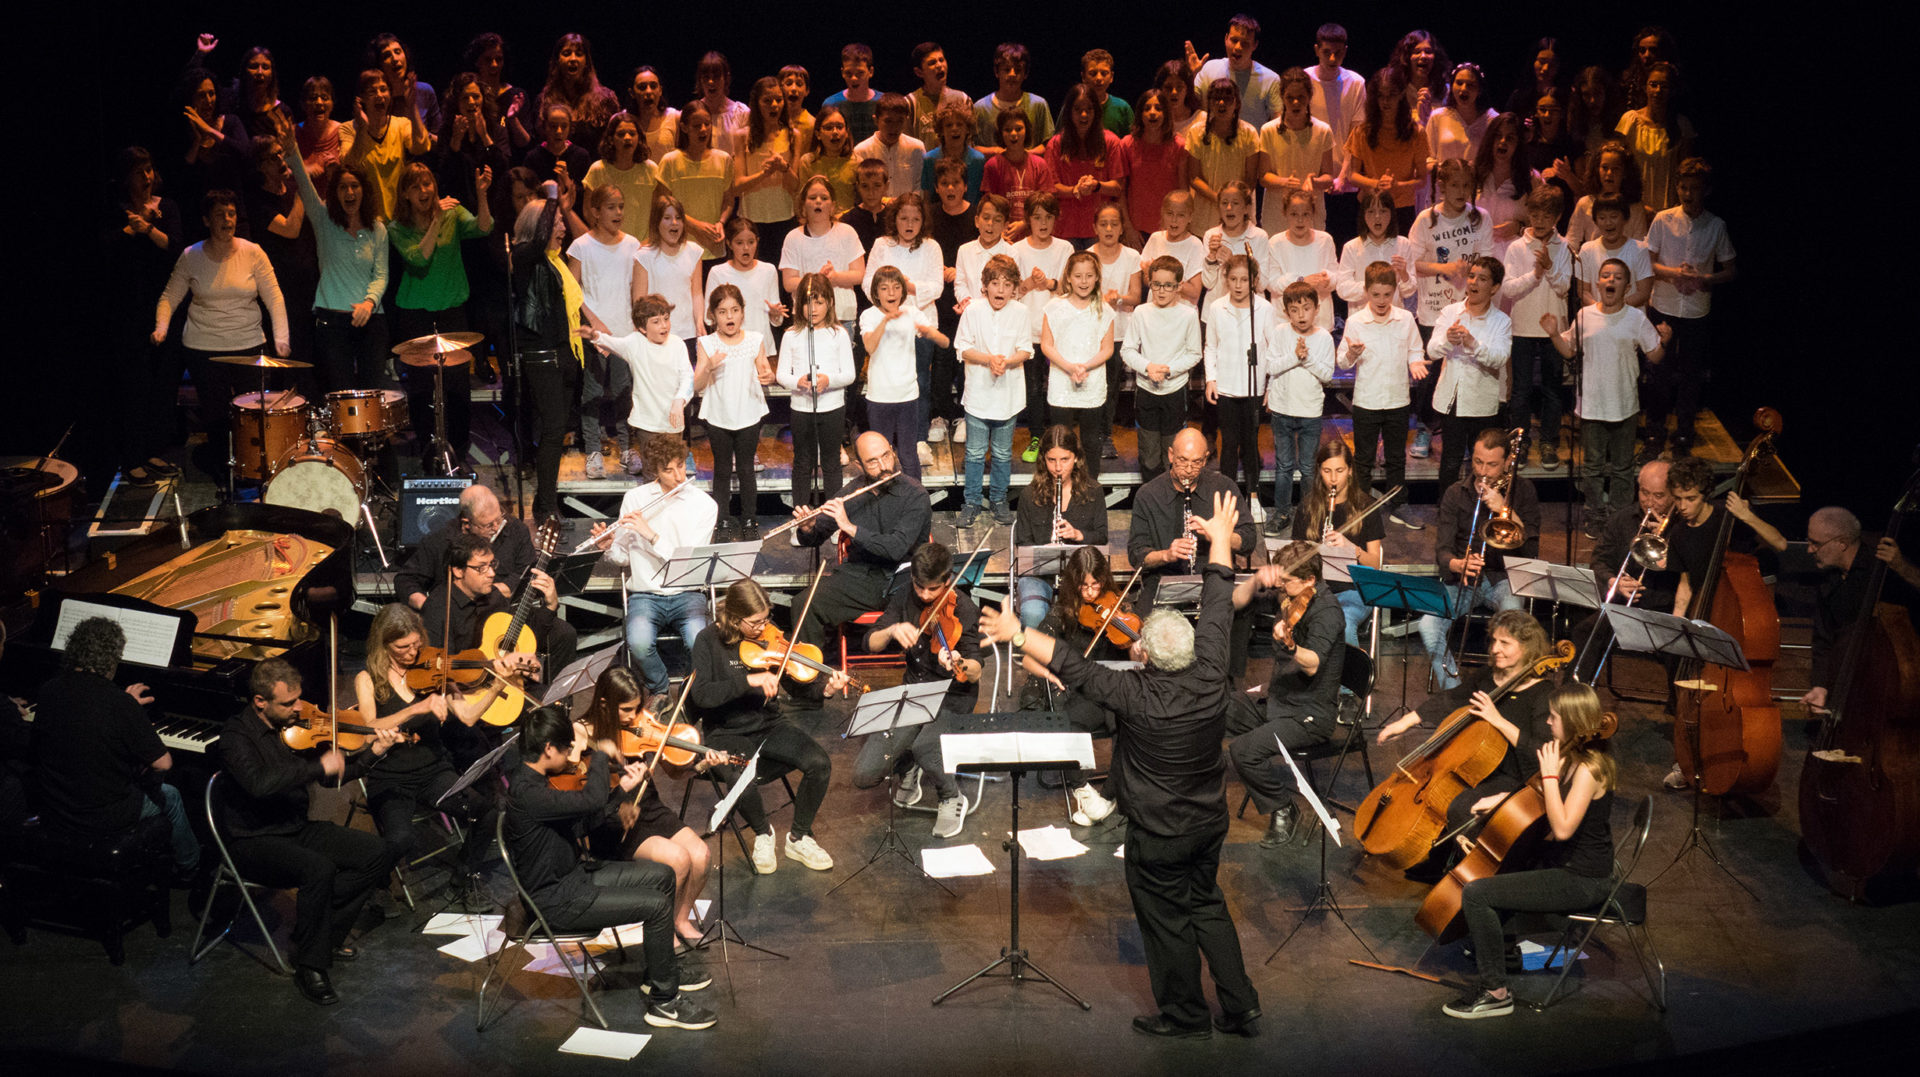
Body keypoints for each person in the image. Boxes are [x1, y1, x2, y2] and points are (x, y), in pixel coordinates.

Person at [979, 491, 1261, 1038]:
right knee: (1207, 904)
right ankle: (1240, 1001)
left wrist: (1018, 633)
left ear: (1148, 656)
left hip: (1158, 832)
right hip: (1208, 822)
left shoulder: (1137, 694)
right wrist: (1222, 542)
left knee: (1166, 920)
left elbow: (1074, 668)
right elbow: (1220, 605)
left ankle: (1184, 1014)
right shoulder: (1210, 673)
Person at [508, 705, 717, 1030]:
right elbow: (590, 801)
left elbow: (584, 822)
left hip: (576, 876)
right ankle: (665, 1004)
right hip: (557, 899)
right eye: (567, 750)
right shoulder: (526, 793)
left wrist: (621, 792)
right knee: (657, 904)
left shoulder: (544, 781)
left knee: (663, 876)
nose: (572, 757)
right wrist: (602, 755)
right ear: (548, 749)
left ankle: (658, 973)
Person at [218, 659, 403, 1005]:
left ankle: (320, 932)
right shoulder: (235, 737)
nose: (299, 708)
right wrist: (315, 766)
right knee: (318, 869)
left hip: (294, 827)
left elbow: (332, 777)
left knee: (378, 852)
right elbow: (259, 785)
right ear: (260, 702)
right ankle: (311, 966)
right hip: (254, 840)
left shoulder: (290, 729)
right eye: (288, 703)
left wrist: (374, 752)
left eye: (298, 699)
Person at [1446, 683, 1616, 1020]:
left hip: (1582, 878)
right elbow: (1536, 794)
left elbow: (1564, 827)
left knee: (1478, 894)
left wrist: (1551, 776)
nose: (1549, 723)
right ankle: (1500, 953)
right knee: (1494, 872)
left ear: (1573, 721)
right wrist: (1501, 801)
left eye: (1554, 717)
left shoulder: (1589, 769)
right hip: (1560, 862)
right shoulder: (1568, 753)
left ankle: (1496, 993)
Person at [354, 604, 523, 907]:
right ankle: (374, 883)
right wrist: (418, 707)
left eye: (416, 645)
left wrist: (498, 684)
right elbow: (368, 728)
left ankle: (463, 876)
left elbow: (469, 716)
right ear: (384, 643)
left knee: (485, 812)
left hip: (433, 770)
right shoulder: (367, 679)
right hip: (390, 777)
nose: (411, 653)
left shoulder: (435, 669)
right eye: (402, 648)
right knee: (400, 840)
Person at [1378, 609, 1556, 877]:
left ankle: (1474, 874)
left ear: (1527, 647)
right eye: (1493, 641)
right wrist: (1406, 722)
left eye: (1505, 643)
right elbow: (1452, 698)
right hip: (1479, 766)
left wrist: (1498, 720)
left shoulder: (1542, 694)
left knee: (1459, 805)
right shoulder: (1489, 677)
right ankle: (1442, 859)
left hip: (1515, 774)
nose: (1496, 649)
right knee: (1443, 795)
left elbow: (1539, 752)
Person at [689, 580, 845, 873]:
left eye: (766, 619)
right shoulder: (707, 640)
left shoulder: (769, 640)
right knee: (740, 772)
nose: (763, 628)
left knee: (819, 762)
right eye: (755, 622)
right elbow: (702, 695)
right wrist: (747, 680)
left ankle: (799, 837)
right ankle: (763, 833)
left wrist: (825, 691)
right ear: (735, 618)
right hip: (725, 731)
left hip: (768, 724)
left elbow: (796, 686)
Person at [30, 618, 199, 880]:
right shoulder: (118, 702)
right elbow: (163, 763)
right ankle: (189, 868)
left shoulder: (49, 690)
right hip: (104, 816)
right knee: (172, 795)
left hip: (58, 806)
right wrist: (131, 713)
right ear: (112, 658)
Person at [580, 668, 727, 947]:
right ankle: (663, 933)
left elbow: (674, 772)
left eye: (638, 709)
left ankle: (680, 920)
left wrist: (703, 763)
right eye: (626, 710)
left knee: (701, 854)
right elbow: (584, 790)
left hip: (648, 805)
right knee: (677, 860)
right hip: (617, 817)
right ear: (604, 704)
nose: (635, 718)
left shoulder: (640, 727)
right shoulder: (583, 732)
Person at [788, 432, 934, 703]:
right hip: (862, 576)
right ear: (859, 465)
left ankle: (923, 689)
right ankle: (808, 691)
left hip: (903, 580)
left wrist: (850, 527)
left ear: (893, 451)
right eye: (873, 462)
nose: (884, 466)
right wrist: (807, 528)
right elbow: (818, 534)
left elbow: (896, 548)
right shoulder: (852, 492)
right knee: (804, 604)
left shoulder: (915, 495)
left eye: (886, 456)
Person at [857, 542, 987, 839]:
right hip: (914, 689)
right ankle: (909, 767)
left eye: (933, 589)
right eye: (920, 587)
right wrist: (889, 631)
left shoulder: (964, 608)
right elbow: (869, 642)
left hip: (953, 695)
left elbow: (977, 668)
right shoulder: (904, 596)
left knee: (925, 745)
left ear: (947, 580)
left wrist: (960, 662)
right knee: (864, 774)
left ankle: (951, 796)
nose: (926, 595)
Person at [152, 189, 290, 463]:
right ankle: (221, 473)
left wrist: (281, 338)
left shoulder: (253, 253)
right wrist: (161, 327)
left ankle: (250, 471)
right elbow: (169, 297)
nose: (228, 220)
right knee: (215, 416)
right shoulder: (191, 256)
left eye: (232, 213)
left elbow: (274, 297)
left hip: (248, 345)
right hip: (205, 348)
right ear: (206, 221)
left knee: (251, 416)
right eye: (220, 215)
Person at [1225, 545, 1346, 846]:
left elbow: (1313, 663)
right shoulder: (1290, 596)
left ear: (1310, 580)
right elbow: (1234, 601)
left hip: (1309, 714)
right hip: (1279, 699)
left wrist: (1291, 646)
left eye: (1287, 580)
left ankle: (1283, 808)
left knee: (1243, 751)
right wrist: (1255, 580)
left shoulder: (1327, 612)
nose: (1281, 586)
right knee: (1216, 705)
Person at [586, 435, 717, 705]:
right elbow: (623, 557)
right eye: (668, 470)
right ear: (654, 472)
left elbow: (688, 561)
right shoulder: (635, 499)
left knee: (698, 642)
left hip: (687, 591)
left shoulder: (704, 505)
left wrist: (651, 535)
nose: (679, 477)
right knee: (639, 643)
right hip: (646, 594)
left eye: (681, 466)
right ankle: (659, 690)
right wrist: (608, 546)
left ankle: (692, 691)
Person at [1544, 259, 1670, 524]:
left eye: (1617, 277)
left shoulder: (1636, 317)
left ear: (1626, 285)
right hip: (1591, 405)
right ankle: (1595, 514)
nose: (1611, 280)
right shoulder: (1584, 315)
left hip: (1624, 404)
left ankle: (1619, 517)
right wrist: (1555, 334)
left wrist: (1665, 342)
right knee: (1592, 467)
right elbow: (1569, 350)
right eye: (1606, 276)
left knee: (1623, 468)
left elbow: (1655, 356)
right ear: (1598, 283)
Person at [1418, 429, 1541, 689]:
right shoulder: (1455, 493)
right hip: (1463, 580)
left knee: (1514, 624)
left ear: (1508, 462)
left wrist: (1504, 511)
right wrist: (1458, 565)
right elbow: (1442, 551)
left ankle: (1503, 695)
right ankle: (1455, 695)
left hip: (1503, 578)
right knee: (1428, 625)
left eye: (1492, 464)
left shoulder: (1524, 490)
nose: (1483, 470)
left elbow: (1530, 551)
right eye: (1477, 461)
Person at [1017, 544, 1127, 824]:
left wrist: (1138, 648)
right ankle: (1084, 789)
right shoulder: (1063, 611)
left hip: (1113, 690)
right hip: (1082, 695)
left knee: (1127, 723)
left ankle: (1112, 793)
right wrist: (1048, 674)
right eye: (1084, 586)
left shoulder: (1118, 605)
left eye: (1096, 584)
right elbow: (1029, 656)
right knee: (1066, 723)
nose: (1090, 592)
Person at [1643, 158, 1736, 457]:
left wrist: (1704, 278)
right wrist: (1674, 274)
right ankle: (1655, 430)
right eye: (1682, 187)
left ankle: (1684, 431)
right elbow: (1648, 262)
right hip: (1664, 305)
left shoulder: (1716, 225)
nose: (1687, 193)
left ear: (1705, 190)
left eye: (1693, 188)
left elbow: (1731, 269)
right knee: (1660, 369)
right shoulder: (1663, 219)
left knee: (1691, 373)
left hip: (1696, 309)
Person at [510, 185, 592, 516]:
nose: (562, 228)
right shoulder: (525, 258)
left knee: (559, 432)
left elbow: (567, 306)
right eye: (557, 221)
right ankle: (544, 506)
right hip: (542, 358)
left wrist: (587, 330)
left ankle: (547, 498)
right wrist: (553, 200)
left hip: (564, 354)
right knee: (553, 430)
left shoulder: (554, 262)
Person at [419, 533, 576, 693]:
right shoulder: (438, 608)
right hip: (470, 691)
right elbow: (442, 667)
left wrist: (550, 605)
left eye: (492, 564)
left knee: (550, 700)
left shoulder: (493, 596)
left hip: (507, 682)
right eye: (481, 568)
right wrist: (494, 664)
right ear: (459, 571)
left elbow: (522, 638)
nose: (492, 573)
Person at [1337, 257, 1425, 528]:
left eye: (1387, 294)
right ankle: (1360, 507)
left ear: (1395, 291)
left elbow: (1415, 349)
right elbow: (1342, 361)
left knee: (1396, 458)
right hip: (1367, 401)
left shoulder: (1405, 318)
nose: (1382, 299)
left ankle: (1399, 505)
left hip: (1398, 400)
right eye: (1376, 294)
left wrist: (1416, 362)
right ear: (1366, 291)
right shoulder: (1356, 321)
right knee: (1362, 459)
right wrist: (1351, 353)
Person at [1572, 459, 1677, 682]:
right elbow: (1599, 561)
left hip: (1666, 608)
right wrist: (1614, 581)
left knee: (1680, 649)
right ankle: (1574, 698)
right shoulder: (1622, 519)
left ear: (1673, 495)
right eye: (1644, 493)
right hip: (1624, 605)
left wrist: (1671, 540)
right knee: (1586, 631)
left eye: (1658, 496)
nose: (1649, 502)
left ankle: (1677, 708)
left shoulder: (1682, 526)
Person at [1128, 428, 1254, 612]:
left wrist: (1220, 537)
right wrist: (1166, 555)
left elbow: (1249, 540)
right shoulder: (1148, 494)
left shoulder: (1224, 487)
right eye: (1182, 460)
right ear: (1171, 455)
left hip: (1214, 579)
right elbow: (1136, 555)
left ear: (1206, 458)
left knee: (1243, 614)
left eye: (1196, 462)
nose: (1188, 470)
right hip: (1164, 581)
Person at [568, 184, 645, 478]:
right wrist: (593, 323)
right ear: (596, 212)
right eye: (611, 207)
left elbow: (636, 288)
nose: (618, 213)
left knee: (625, 392)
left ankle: (627, 449)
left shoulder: (633, 245)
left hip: (624, 333)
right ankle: (593, 452)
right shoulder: (581, 247)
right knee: (593, 392)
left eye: (621, 207)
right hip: (593, 334)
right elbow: (573, 291)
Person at [955, 253, 1032, 525]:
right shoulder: (973, 310)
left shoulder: (1021, 312)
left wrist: (1006, 362)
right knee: (975, 454)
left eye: (1007, 284)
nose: (1000, 289)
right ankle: (972, 502)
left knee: (1001, 453)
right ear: (984, 285)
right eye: (995, 283)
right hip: (978, 394)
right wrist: (989, 360)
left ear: (1015, 288)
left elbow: (1026, 349)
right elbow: (962, 348)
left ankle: (999, 500)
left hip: (1008, 397)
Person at [1500, 185, 1572, 469]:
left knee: (1553, 389)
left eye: (1547, 215)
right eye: (1535, 214)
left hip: (1554, 331)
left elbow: (1565, 286)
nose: (1540, 220)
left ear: (1557, 216)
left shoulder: (1564, 246)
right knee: (1521, 390)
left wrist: (1551, 268)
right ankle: (1521, 443)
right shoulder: (1517, 247)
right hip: (1523, 329)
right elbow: (1507, 288)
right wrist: (1536, 273)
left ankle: (1548, 441)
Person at [1426, 256, 1512, 488]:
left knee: (1482, 464)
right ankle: (1447, 513)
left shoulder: (1501, 321)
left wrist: (1473, 344)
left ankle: (1480, 511)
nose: (1473, 282)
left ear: (1494, 288)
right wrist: (1447, 340)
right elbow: (1432, 350)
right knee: (1450, 461)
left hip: (1481, 403)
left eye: (1482, 279)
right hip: (1453, 401)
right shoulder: (1450, 311)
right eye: (1472, 276)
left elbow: (1499, 358)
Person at [777, 271, 858, 516]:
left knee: (832, 463)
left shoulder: (838, 334)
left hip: (832, 408)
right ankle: (801, 520)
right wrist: (798, 382)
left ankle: (833, 520)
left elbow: (850, 375)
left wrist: (828, 380)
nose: (813, 308)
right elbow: (781, 375)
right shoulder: (791, 335)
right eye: (807, 302)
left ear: (830, 303)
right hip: (802, 408)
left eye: (819, 302)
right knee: (802, 463)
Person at [1291, 438, 1386, 645]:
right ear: (1319, 471)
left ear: (1350, 470)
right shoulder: (1307, 506)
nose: (1333, 479)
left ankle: (1349, 677)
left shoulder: (1366, 506)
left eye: (1340, 471)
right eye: (1327, 471)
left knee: (1343, 623)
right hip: (1315, 590)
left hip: (1354, 591)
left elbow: (1376, 565)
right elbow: (1294, 558)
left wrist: (1352, 548)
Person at [1014, 425, 1110, 626]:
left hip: (1082, 576)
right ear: (1043, 460)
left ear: (1076, 458)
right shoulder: (1028, 496)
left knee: (1087, 615)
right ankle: (1036, 654)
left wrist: (1077, 535)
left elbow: (1101, 537)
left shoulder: (1094, 492)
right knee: (1032, 612)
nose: (1058, 468)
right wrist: (1043, 551)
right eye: (1052, 460)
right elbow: (1023, 544)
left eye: (1064, 460)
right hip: (1039, 575)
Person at [1120, 255, 1202, 483]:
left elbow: (1194, 353)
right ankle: (1150, 503)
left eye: (1168, 286)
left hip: (1174, 391)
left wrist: (1168, 370)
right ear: (1150, 283)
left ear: (1178, 287)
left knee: (1172, 454)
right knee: (1148, 455)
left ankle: (1173, 504)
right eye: (1157, 285)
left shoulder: (1188, 315)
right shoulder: (1141, 313)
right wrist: (1148, 367)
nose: (1162, 291)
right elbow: (1127, 350)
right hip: (1146, 391)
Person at [395, 484, 535, 611]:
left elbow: (526, 573)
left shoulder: (516, 530)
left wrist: (494, 592)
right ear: (467, 523)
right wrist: (429, 607)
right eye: (488, 525)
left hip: (502, 615)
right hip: (456, 619)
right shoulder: (439, 541)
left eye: (499, 519)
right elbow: (406, 580)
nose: (496, 527)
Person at [1265, 280, 1336, 531]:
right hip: (1283, 410)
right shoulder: (1280, 333)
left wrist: (1306, 359)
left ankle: (1308, 515)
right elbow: (1270, 366)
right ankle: (1282, 513)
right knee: (1284, 466)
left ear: (1317, 309)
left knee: (1308, 469)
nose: (1301, 315)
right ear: (1286, 312)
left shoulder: (1324, 337)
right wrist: (1295, 356)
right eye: (1294, 310)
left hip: (1310, 413)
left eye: (1306, 308)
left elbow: (1327, 375)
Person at [1201, 254, 1272, 498]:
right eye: (1234, 279)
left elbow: (1272, 349)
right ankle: (1227, 496)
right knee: (1228, 444)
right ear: (1226, 279)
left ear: (1253, 280)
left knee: (1251, 444)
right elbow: (1210, 346)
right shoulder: (1217, 307)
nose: (1239, 285)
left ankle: (1253, 497)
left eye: (1244, 279)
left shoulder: (1264, 308)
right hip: (1227, 387)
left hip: (1254, 388)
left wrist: (1270, 387)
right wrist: (1211, 379)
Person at [1183, 14, 1284, 130]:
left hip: (1250, 146)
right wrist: (1191, 76)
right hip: (1211, 145)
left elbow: (1277, 123)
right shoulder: (1208, 69)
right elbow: (1189, 108)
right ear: (1226, 39)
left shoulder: (1270, 79)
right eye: (1234, 40)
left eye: (1245, 43)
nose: (1238, 47)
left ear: (1255, 45)